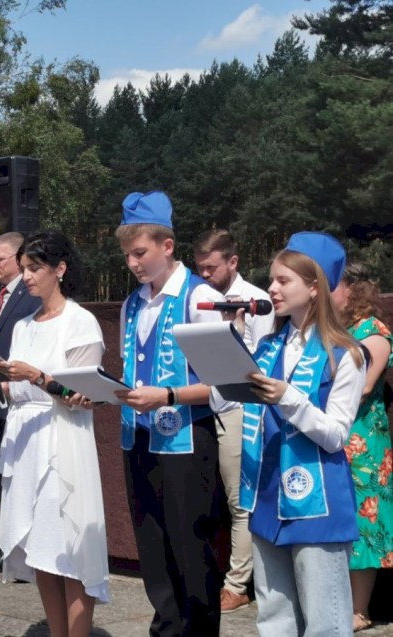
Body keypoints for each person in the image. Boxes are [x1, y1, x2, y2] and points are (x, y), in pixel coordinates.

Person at [213, 231, 366, 636]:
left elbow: (335, 435)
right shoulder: (267, 346)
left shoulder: (347, 354)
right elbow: (224, 399)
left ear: (314, 287)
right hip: (266, 495)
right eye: (272, 280)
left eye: (283, 280)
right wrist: (229, 345)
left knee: (325, 621)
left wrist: (289, 398)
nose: (272, 289)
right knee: (274, 618)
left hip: (317, 503)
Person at [114, 191, 224, 636]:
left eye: (140, 253)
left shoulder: (200, 298)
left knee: (190, 545)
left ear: (167, 245)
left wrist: (169, 395)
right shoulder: (132, 304)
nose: (133, 263)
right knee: (153, 547)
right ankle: (165, 628)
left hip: (187, 440)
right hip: (138, 439)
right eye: (127, 255)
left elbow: (227, 385)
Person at [0, 230, 110, 637]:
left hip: (62, 442)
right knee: (41, 551)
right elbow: (18, 389)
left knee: (70, 551)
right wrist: (3, 383)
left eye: (35, 268)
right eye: (23, 268)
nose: (26, 277)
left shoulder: (80, 323)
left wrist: (37, 377)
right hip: (25, 441)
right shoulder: (23, 325)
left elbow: (83, 398)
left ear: (60, 269)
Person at [193, 228, 275, 613]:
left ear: (233, 261)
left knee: (239, 500)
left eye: (211, 267)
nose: (205, 274)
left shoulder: (257, 302)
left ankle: (237, 585)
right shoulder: (200, 301)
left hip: (240, 411)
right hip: (204, 408)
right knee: (213, 500)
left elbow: (263, 364)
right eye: (200, 268)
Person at [0, 232, 41, 575]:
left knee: (22, 479)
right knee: (1, 478)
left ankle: (25, 551)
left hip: (24, 398)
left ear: (18, 259)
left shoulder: (31, 298)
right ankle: (7, 548)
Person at [331, 262, 393, 633]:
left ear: (352, 289)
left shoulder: (374, 332)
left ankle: (359, 610)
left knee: (364, 524)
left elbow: (364, 387)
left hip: (363, 443)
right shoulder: (336, 329)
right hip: (335, 435)